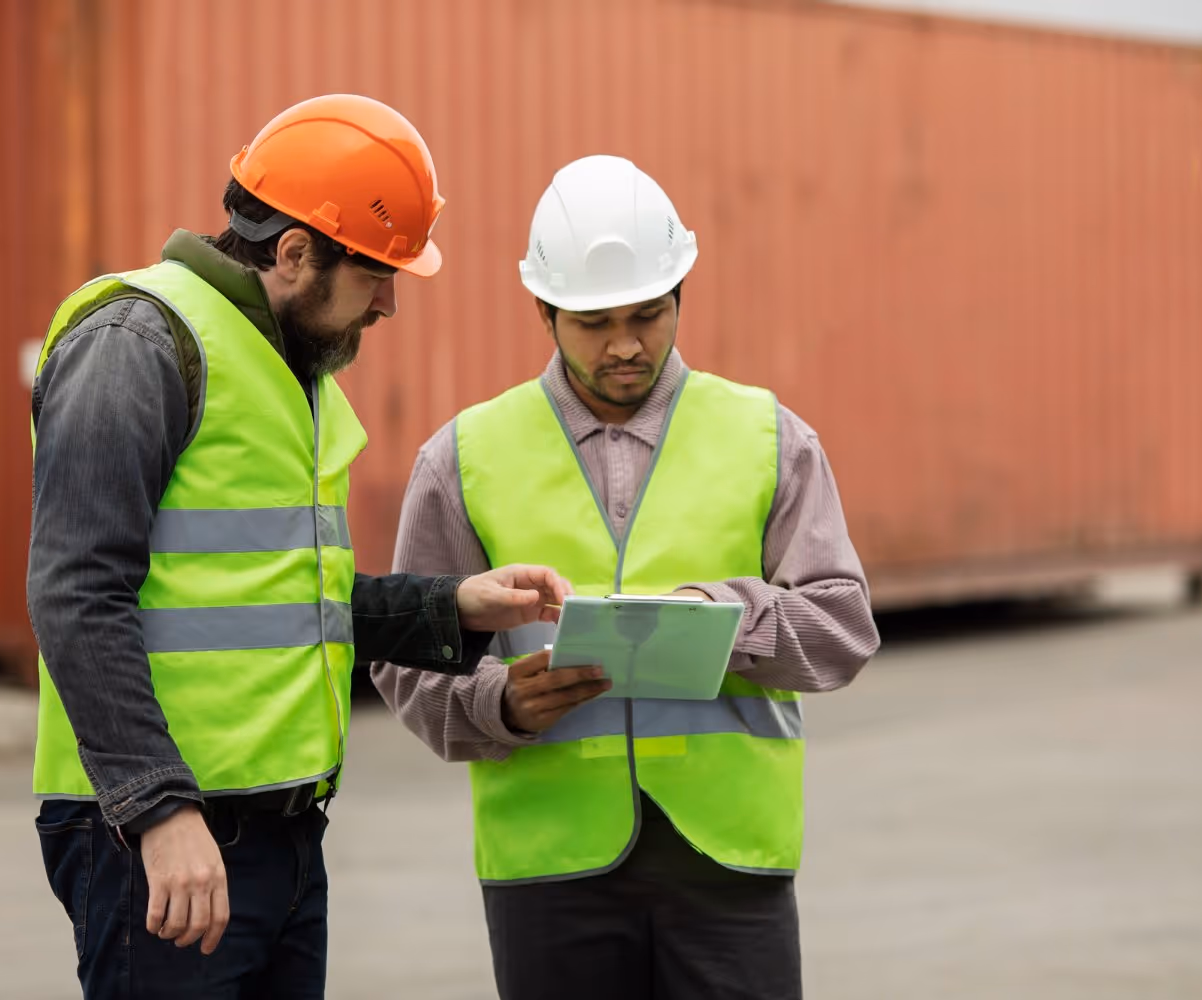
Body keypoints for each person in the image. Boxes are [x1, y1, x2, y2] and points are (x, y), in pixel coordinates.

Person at [26, 94, 571, 1000]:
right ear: (293, 253)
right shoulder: (137, 341)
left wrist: (451, 605)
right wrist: (159, 811)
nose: (391, 303)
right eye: (376, 276)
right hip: (165, 842)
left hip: (281, 840)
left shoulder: (282, 364)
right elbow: (76, 593)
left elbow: (275, 599)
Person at [372, 155, 881, 1000]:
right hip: (548, 867)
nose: (625, 345)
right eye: (593, 321)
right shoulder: (464, 458)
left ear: (682, 294)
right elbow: (402, 658)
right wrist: (495, 704)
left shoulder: (769, 438)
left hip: (728, 865)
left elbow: (843, 630)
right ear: (544, 311)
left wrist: (723, 617)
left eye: (649, 315)